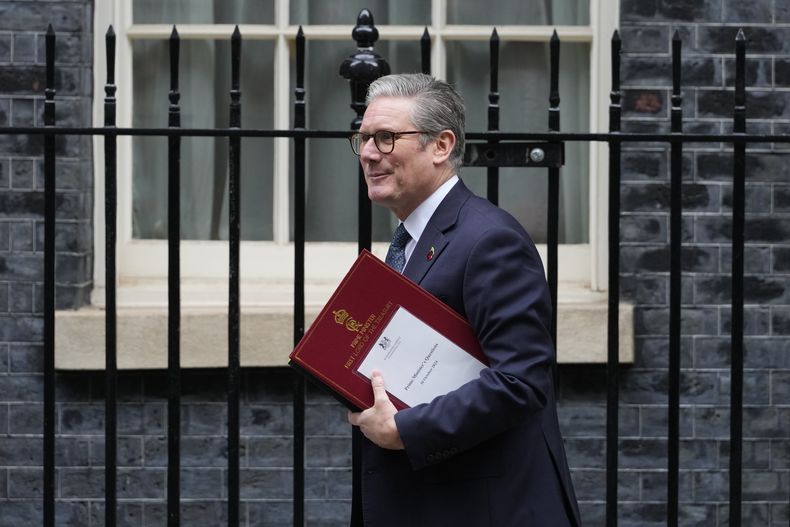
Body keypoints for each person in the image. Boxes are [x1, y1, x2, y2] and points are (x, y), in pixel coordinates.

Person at [346, 73, 581, 527]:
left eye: (387, 137)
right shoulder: (411, 241)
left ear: (441, 145)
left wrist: (404, 430)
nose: (370, 153)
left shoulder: (490, 239)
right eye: (364, 139)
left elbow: (522, 381)